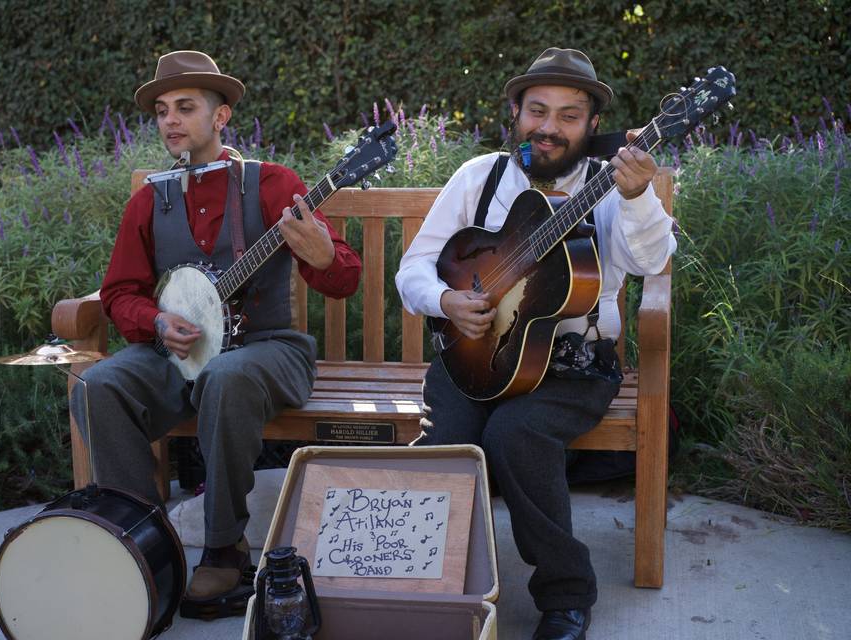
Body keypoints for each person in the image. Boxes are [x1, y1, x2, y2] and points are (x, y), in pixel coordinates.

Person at [395, 48, 676, 640]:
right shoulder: (479, 178)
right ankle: (428, 580)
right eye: (537, 110)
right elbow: (415, 267)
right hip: (474, 354)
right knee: (445, 444)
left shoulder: (609, 188)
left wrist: (637, 198)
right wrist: (446, 302)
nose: (549, 127)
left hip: (572, 364)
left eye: (568, 115)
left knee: (515, 433)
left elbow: (651, 260)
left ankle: (567, 595)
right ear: (516, 112)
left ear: (591, 125)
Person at [71, 50, 361, 619]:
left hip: (267, 349)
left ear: (221, 115)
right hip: (178, 353)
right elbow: (118, 293)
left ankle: (225, 548)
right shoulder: (149, 200)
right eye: (161, 110)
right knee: (96, 385)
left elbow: (343, 276)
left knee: (226, 375)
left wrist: (324, 252)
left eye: (185, 107)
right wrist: (155, 321)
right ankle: (143, 542)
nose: (170, 120)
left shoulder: (273, 184)